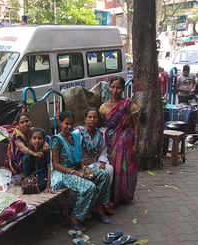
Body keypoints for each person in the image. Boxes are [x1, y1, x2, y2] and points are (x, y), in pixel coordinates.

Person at [51, 111, 112, 232]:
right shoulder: (56, 140)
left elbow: (78, 159)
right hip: (65, 173)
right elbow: (56, 165)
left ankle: (98, 208)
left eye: (71, 124)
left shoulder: (75, 136)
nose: (69, 127)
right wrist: (77, 173)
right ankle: (75, 218)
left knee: (104, 175)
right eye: (66, 123)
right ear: (60, 123)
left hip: (78, 169)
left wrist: (84, 169)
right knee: (89, 187)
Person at [99, 76, 139, 206]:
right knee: (112, 167)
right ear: (109, 88)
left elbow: (136, 124)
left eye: (118, 87)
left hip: (125, 140)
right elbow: (102, 125)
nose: (115, 90)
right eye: (113, 87)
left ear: (123, 89)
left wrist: (136, 143)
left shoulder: (129, 105)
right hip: (110, 141)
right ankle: (112, 196)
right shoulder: (103, 107)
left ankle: (123, 195)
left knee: (123, 168)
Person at [72, 108, 114, 213]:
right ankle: (92, 205)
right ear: (85, 119)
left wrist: (103, 162)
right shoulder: (78, 133)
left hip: (95, 161)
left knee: (109, 169)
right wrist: (84, 163)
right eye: (89, 117)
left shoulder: (99, 134)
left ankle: (102, 202)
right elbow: (74, 151)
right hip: (82, 164)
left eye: (95, 117)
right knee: (97, 175)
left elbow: (103, 150)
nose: (92, 119)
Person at [22, 128, 52, 192]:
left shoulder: (47, 152)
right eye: (34, 138)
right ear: (30, 140)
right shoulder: (30, 152)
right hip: (33, 176)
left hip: (45, 176)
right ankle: (27, 181)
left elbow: (50, 168)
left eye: (40, 138)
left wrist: (48, 185)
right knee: (26, 158)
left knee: (36, 187)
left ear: (44, 140)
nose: (37, 141)